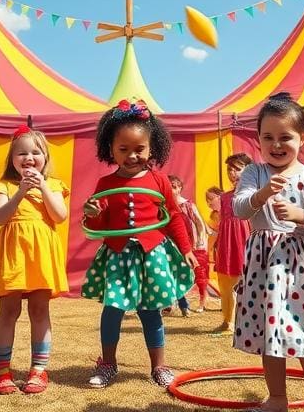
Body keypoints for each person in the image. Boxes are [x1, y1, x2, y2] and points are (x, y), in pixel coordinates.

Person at [233, 93, 304, 412]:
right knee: (269, 333)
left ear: (303, 137)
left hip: (301, 263)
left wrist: (298, 214)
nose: (276, 144)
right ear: (258, 139)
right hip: (265, 265)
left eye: (286, 137)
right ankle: (278, 399)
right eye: (268, 137)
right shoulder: (253, 173)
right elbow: (240, 208)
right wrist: (261, 195)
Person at [81, 99, 197, 389]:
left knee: (150, 311)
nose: (132, 155)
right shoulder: (105, 184)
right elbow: (97, 225)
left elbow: (172, 218)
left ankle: (159, 367)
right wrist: (93, 214)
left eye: (139, 149)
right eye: (124, 149)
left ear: (151, 147)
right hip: (118, 255)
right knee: (112, 309)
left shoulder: (159, 181)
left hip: (152, 254)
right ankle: (108, 364)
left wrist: (186, 249)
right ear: (111, 149)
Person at [0, 125, 69, 395]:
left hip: (41, 255)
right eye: (21, 153)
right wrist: (20, 192)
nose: (28, 158)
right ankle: (2, 371)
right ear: (12, 159)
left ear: (45, 157)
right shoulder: (5, 186)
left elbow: (59, 216)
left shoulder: (54, 185)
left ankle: (39, 371)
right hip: (13, 254)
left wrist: (42, 185)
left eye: (35, 152)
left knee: (39, 312)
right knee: (8, 312)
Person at [212, 153, 252, 335]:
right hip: (227, 242)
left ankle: (248, 322)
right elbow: (219, 222)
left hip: (246, 240)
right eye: (230, 169)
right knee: (226, 283)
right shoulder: (224, 197)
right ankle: (227, 321)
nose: (232, 172)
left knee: (247, 282)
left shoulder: (254, 194)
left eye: (237, 168)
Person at [168, 174, 210, 314]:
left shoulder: (188, 205)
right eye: (169, 187)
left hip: (193, 245)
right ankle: (177, 304)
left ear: (179, 188)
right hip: (175, 245)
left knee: (199, 273)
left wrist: (201, 240)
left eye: (175, 187)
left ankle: (202, 301)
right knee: (175, 273)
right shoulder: (166, 206)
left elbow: (199, 222)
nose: (172, 190)